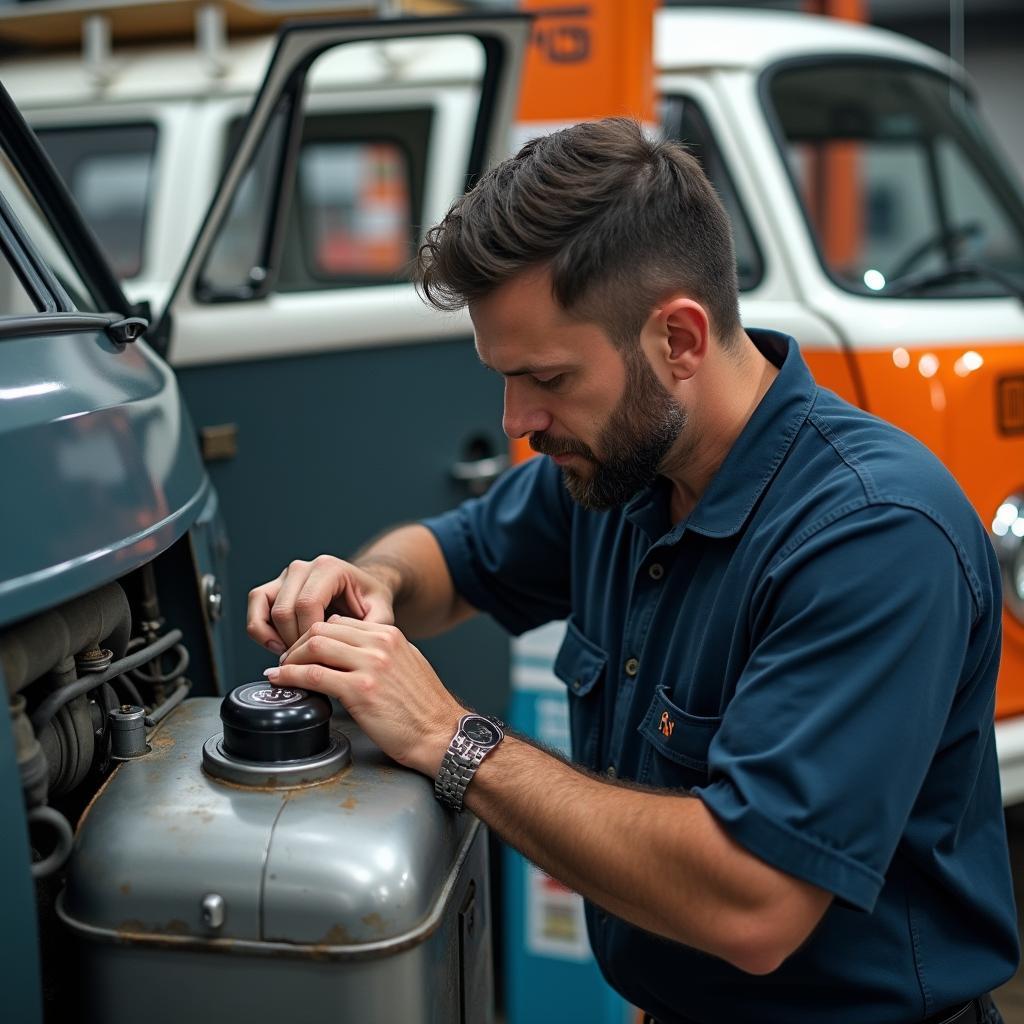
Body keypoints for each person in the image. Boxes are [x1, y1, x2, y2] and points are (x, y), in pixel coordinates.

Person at [248, 118, 1018, 1023]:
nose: (516, 421)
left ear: (679, 340)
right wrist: (373, 582)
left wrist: (451, 739)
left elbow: (754, 901)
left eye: (547, 377)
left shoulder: (873, 536)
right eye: (502, 378)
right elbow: (451, 557)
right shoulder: (624, 472)